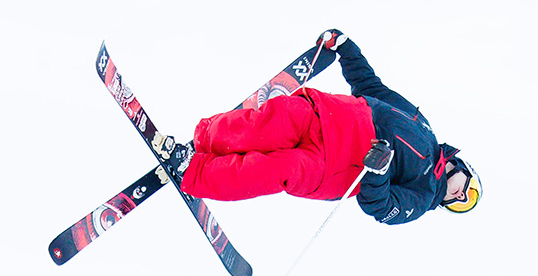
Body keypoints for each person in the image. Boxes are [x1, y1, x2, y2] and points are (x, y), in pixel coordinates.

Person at [163, 30, 480, 224]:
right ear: (465, 169)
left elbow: (381, 207)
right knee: (264, 123)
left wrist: (378, 171)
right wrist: (347, 49)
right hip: (328, 115)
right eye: (470, 191)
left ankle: (194, 171)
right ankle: (203, 141)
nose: (460, 196)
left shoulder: (422, 197)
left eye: (461, 204)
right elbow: (371, 86)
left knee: (272, 169)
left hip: (333, 167)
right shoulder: (423, 127)